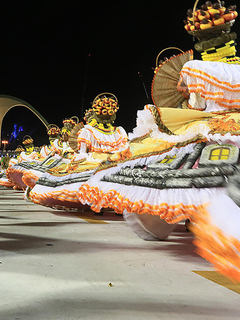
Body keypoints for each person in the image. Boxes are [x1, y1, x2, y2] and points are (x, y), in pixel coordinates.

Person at [76, 1, 240, 281]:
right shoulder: (210, 70)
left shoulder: (195, 70)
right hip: (223, 128)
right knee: (206, 178)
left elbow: (196, 102)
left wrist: (188, 95)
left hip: (213, 127)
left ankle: (193, 224)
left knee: (193, 177)